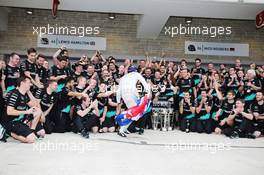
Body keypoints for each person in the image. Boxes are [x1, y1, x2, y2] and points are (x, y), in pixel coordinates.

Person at [3, 76, 42, 143]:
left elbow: (35, 105)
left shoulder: (24, 95)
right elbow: (9, 112)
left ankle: (31, 131)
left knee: (38, 111)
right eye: (29, 82)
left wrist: (29, 91)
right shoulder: (14, 94)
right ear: (22, 83)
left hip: (19, 120)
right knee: (31, 140)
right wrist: (27, 112)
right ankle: (8, 132)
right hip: (10, 121)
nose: (31, 84)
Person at [116, 66, 151, 137]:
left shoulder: (123, 77)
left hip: (124, 95)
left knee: (132, 113)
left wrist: (118, 101)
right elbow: (144, 83)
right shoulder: (137, 74)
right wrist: (148, 93)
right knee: (134, 114)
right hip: (131, 94)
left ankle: (125, 129)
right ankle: (121, 130)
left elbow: (118, 90)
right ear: (135, 71)